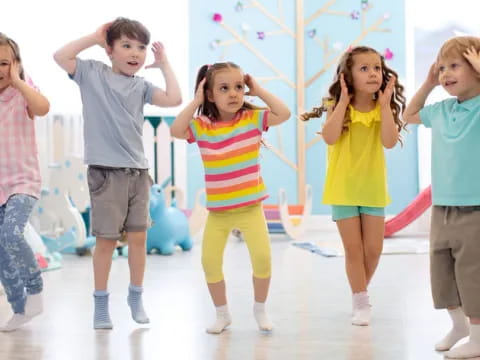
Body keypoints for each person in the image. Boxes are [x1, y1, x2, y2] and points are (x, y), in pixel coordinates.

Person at [53, 18, 182, 329]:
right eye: (126, 45)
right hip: (105, 173)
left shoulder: (142, 86)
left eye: (140, 47)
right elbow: (61, 57)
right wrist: (94, 37)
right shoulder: (92, 74)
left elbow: (175, 99)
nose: (135, 52)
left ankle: (135, 296)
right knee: (106, 242)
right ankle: (100, 303)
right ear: (109, 49)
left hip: (137, 172)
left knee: (139, 238)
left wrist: (164, 64)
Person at [170, 62, 290, 334]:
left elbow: (284, 113)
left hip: (250, 209)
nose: (234, 93)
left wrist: (258, 91)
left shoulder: (251, 119)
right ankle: (222, 314)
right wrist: (195, 101)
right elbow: (176, 130)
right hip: (219, 213)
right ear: (210, 95)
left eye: (239, 87)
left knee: (262, 259)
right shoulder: (202, 126)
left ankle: (260, 309)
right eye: (224, 88)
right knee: (210, 262)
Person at [301, 46, 406, 326]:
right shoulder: (335, 106)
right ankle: (362, 301)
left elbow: (389, 142)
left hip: (372, 187)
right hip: (343, 188)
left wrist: (384, 106)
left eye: (377, 68)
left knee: (373, 249)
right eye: (364, 68)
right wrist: (343, 102)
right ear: (348, 75)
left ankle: (359, 293)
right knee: (354, 250)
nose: (373, 73)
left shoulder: (381, 107)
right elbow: (330, 137)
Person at [404, 36, 480, 359]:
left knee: (472, 272)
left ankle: (478, 335)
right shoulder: (443, 110)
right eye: (442, 67)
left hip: (475, 207)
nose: (446, 73)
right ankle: (459, 325)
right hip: (443, 206)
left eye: (455, 66)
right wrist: (428, 83)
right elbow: (410, 115)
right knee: (442, 269)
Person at [0, 33, 49, 331]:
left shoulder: (23, 90)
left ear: (16, 64)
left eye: (4, 63)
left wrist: (18, 80)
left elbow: (42, 108)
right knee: (2, 251)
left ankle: (35, 288)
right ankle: (19, 307)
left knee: (12, 234)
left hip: (23, 181)